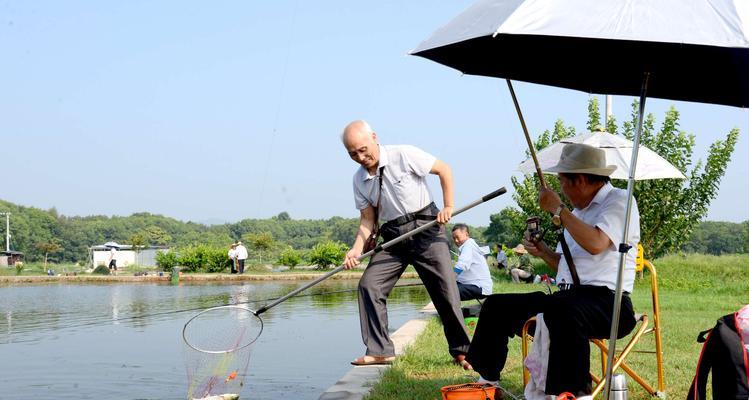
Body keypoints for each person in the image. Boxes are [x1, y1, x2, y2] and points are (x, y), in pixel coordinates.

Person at [463, 143, 640, 397]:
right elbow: (566, 266)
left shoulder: (620, 201)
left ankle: (574, 393)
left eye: (562, 183)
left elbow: (597, 243)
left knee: (561, 309)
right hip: (569, 299)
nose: (561, 192)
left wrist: (559, 210)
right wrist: (543, 251)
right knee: (496, 305)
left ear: (579, 180)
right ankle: (487, 383)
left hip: (609, 304)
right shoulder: (577, 213)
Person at [341, 120, 470, 367]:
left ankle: (462, 351)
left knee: (446, 291)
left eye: (363, 149)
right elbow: (367, 219)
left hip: (426, 229)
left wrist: (448, 206)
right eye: (353, 153)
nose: (360, 156)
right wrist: (356, 249)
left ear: (374, 138)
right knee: (369, 286)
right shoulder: (358, 180)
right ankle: (380, 350)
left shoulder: (403, 154)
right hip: (393, 237)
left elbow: (444, 169)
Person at [451, 224, 493, 301]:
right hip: (473, 285)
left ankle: (453, 312)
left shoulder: (468, 245)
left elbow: (462, 265)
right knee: (444, 287)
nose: (456, 241)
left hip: (479, 287)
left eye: (457, 237)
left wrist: (450, 279)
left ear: (466, 234)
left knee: (447, 290)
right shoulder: (468, 246)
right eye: (454, 238)